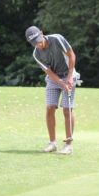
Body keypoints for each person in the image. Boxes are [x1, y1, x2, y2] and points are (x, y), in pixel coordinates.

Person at [25, 26, 79, 155]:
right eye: (34, 43)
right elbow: (48, 72)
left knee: (67, 109)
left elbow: (71, 55)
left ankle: (68, 145)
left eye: (39, 40)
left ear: (42, 34)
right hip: (53, 79)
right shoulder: (36, 54)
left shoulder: (57, 39)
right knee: (50, 108)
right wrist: (61, 83)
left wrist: (69, 77)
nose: (38, 44)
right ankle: (52, 143)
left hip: (69, 74)